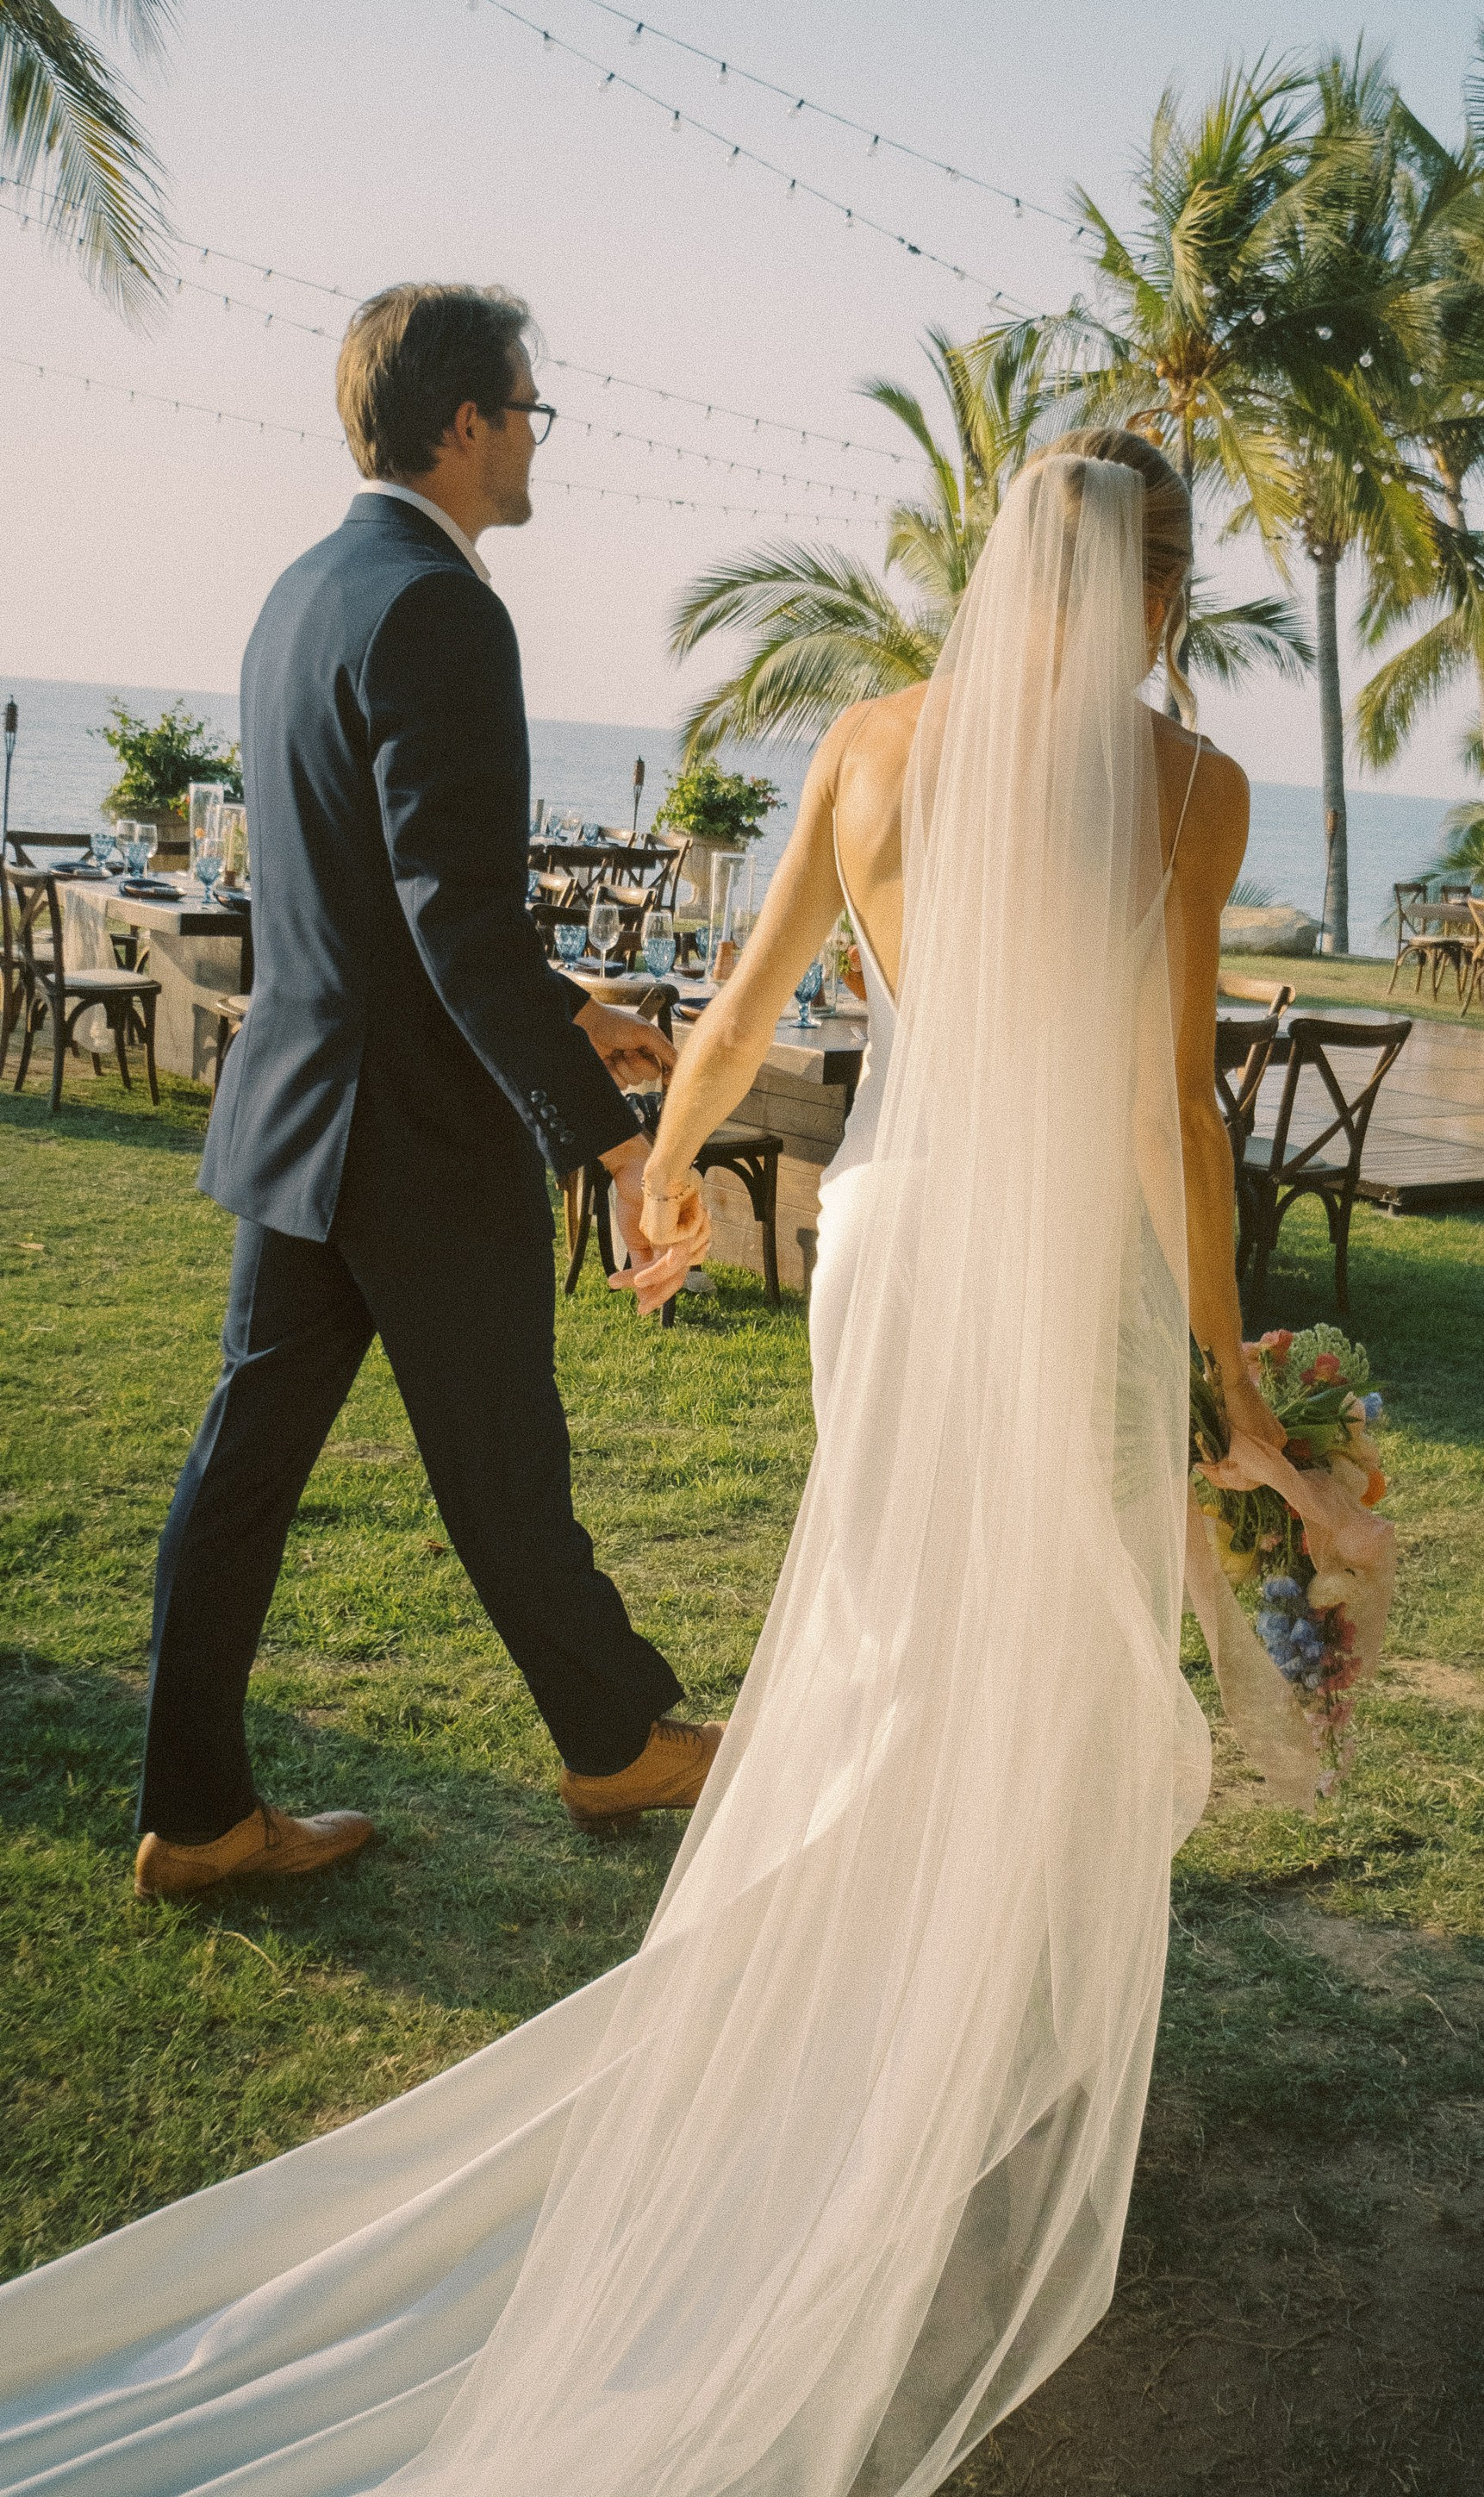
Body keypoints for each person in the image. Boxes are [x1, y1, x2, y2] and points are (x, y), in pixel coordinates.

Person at [0, 435, 1283, 2497]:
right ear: (1151, 590)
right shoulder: (1189, 789)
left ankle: (892, 2026)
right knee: (1039, 1650)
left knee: (885, 1645)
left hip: (887, 1241)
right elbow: (1178, 1119)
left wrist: (658, 1178)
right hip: (1052, 1272)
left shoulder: (868, 744)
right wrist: (1228, 1375)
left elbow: (748, 996)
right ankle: (977, 2055)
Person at [133, 283, 716, 1904]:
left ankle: (194, 1816)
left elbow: (378, 905)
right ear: (463, 424)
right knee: (503, 1460)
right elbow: (451, 916)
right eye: (529, 410)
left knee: (243, 1471)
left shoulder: (301, 593)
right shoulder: (445, 608)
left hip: (305, 1115)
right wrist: (606, 1141)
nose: (538, 441)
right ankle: (615, 1746)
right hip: (412, 1135)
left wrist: (570, 1000)